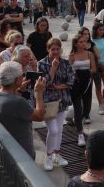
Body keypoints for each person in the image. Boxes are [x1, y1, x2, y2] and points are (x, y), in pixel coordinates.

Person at [0, 61, 45, 159]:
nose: (23, 77)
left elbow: (2, 90)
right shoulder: (18, 102)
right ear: (15, 80)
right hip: (21, 153)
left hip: (4, 149)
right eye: (21, 75)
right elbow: (40, 116)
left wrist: (17, 89)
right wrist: (38, 93)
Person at [39, 38, 74, 171]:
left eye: (57, 49)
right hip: (48, 102)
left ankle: (56, 154)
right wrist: (53, 68)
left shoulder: (65, 63)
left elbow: (71, 81)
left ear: (61, 49)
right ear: (48, 50)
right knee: (53, 130)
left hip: (62, 99)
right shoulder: (42, 64)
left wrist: (58, 86)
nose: (55, 52)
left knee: (59, 129)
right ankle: (48, 156)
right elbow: (45, 84)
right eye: (52, 49)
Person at [69, 34, 97, 147]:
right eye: (80, 42)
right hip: (75, 84)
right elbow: (69, 70)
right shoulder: (71, 55)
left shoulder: (90, 54)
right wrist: (75, 74)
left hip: (87, 82)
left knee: (86, 108)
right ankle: (80, 134)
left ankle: (79, 119)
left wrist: (87, 73)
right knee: (77, 107)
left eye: (84, 42)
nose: (83, 44)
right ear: (75, 44)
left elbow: (94, 68)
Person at [92, 22, 104, 116]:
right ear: (95, 30)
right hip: (95, 65)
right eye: (100, 29)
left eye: (103, 29)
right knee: (98, 86)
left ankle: (103, 98)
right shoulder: (91, 41)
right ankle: (100, 104)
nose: (102, 31)